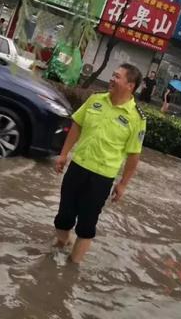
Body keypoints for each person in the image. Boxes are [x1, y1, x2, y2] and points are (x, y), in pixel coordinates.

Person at [53, 63, 146, 264]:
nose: (112, 79)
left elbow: (133, 155)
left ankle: (72, 267)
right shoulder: (95, 100)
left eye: (117, 77)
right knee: (63, 217)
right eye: (113, 75)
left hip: (102, 177)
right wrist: (63, 154)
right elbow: (77, 126)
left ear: (130, 85)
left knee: (87, 224)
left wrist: (122, 184)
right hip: (77, 167)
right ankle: (61, 245)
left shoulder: (136, 118)